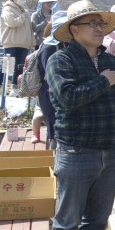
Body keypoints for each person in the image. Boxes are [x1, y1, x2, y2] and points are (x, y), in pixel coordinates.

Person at [45, 0, 115, 230]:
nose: (98, 28)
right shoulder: (60, 61)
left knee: (97, 216)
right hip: (76, 151)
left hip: (109, 152)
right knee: (68, 219)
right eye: (91, 24)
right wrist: (102, 82)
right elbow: (67, 99)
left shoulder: (111, 61)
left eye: (100, 23)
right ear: (73, 30)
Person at [34, 11, 68, 148]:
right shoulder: (49, 47)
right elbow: (50, 76)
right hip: (49, 93)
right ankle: (54, 159)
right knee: (54, 128)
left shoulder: (60, 45)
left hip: (54, 92)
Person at [0, 0, 34, 97]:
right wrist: (22, 17)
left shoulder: (25, 11)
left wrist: (31, 43)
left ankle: (15, 89)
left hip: (23, 44)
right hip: (11, 43)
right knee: (7, 66)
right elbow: (12, 23)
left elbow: (29, 29)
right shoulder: (7, 9)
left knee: (20, 67)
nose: (22, 0)